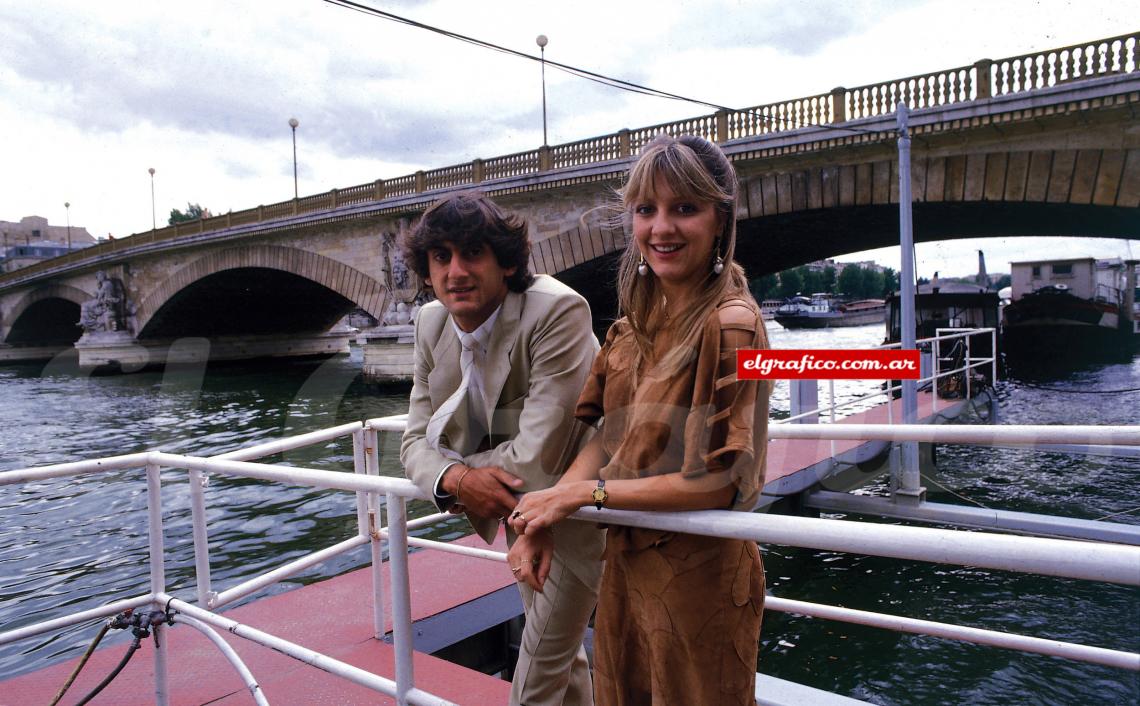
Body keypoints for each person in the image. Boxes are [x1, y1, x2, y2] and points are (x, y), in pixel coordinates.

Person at [508, 134, 770, 705]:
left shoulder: (733, 327)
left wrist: (582, 498)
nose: (661, 228)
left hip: (698, 583)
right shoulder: (631, 329)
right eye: (646, 210)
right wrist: (545, 515)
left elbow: (719, 483)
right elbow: (608, 436)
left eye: (684, 208)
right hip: (625, 568)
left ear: (720, 218)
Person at [400, 192, 605, 706]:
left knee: (536, 672)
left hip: (577, 507)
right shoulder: (431, 323)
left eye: (473, 253)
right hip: (517, 511)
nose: (456, 271)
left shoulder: (556, 310)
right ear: (426, 271)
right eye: (441, 257)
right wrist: (457, 481)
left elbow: (540, 457)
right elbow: (412, 442)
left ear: (507, 262)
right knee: (564, 660)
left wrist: (457, 471)